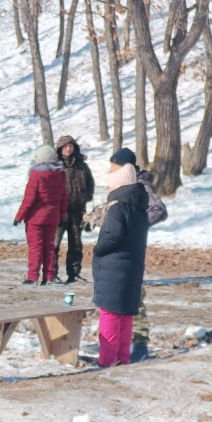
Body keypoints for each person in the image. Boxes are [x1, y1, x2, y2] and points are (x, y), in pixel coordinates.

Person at [85, 147, 166, 361]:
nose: (110, 172)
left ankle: (115, 356)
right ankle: (122, 356)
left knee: (114, 311)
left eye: (114, 167)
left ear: (123, 170)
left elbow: (115, 232)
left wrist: (100, 247)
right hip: (130, 259)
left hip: (118, 262)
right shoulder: (131, 200)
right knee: (125, 310)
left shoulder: (133, 192)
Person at [93, 156, 149, 367]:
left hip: (114, 269)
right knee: (125, 315)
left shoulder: (118, 207)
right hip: (132, 267)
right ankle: (122, 358)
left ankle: (106, 361)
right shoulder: (139, 208)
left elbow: (113, 236)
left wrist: (98, 249)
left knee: (109, 315)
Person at [14, 144, 67, 285]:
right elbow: (63, 197)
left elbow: (29, 198)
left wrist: (19, 216)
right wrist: (62, 215)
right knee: (49, 247)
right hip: (53, 217)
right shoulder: (60, 174)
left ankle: (32, 277)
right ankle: (49, 277)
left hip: (35, 218)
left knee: (35, 247)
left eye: (37, 157)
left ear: (42, 159)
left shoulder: (37, 174)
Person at [53, 135, 95, 283]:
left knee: (76, 243)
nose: (69, 148)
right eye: (66, 146)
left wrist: (86, 197)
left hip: (77, 210)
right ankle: (51, 274)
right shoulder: (54, 165)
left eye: (71, 146)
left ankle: (74, 273)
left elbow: (90, 183)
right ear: (60, 148)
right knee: (54, 244)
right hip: (59, 212)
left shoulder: (81, 165)